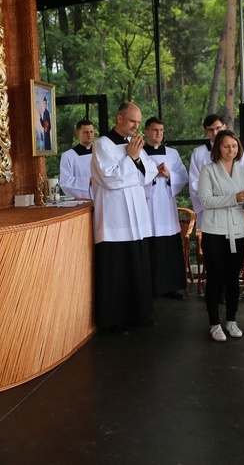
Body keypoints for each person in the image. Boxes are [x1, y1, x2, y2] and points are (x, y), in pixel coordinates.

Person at [91, 102, 158, 335]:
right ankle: (114, 320)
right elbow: (110, 179)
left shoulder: (134, 144)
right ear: (119, 118)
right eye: (132, 121)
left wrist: (136, 160)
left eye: (138, 122)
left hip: (136, 217)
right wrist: (130, 160)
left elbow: (149, 173)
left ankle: (139, 314)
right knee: (117, 271)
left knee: (137, 267)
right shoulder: (102, 145)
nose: (136, 126)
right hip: (114, 219)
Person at [198, 130, 244, 341]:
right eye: (226, 146)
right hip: (214, 231)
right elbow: (205, 201)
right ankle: (214, 323)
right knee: (214, 278)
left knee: (233, 278)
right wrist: (234, 197)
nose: (231, 150)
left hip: (238, 230)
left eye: (234, 146)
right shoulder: (208, 170)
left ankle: (231, 319)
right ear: (217, 149)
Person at [142, 117, 188, 299]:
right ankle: (149, 287)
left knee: (167, 248)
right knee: (150, 247)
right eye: (154, 130)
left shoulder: (172, 153)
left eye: (161, 130)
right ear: (146, 131)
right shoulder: (138, 153)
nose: (158, 133)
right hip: (147, 205)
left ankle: (170, 287)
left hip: (166, 206)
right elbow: (133, 177)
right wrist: (153, 175)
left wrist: (169, 175)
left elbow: (182, 176)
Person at [189, 114, 244, 229]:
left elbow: (243, 180)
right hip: (211, 213)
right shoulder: (198, 153)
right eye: (210, 130)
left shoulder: (236, 151)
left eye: (218, 128)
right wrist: (218, 201)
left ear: (224, 127)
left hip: (234, 211)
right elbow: (194, 183)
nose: (215, 133)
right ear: (206, 131)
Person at [59, 118, 95, 199]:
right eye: (85, 132)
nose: (89, 135)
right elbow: (65, 182)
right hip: (82, 200)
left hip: (102, 198)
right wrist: (88, 181)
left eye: (91, 132)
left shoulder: (101, 152)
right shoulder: (68, 156)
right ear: (78, 134)